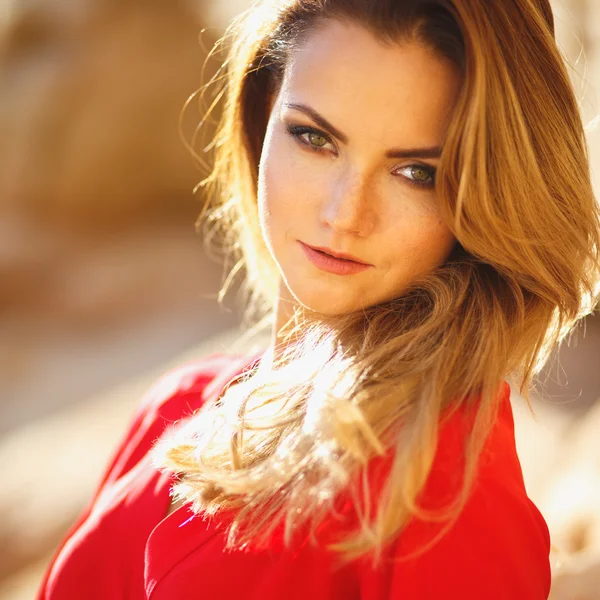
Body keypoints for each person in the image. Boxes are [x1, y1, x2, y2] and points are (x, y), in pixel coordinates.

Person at [37, 0, 600, 598]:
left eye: (416, 173)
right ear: (261, 116)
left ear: (481, 197)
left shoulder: (439, 480)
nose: (345, 214)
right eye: (314, 138)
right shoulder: (178, 408)